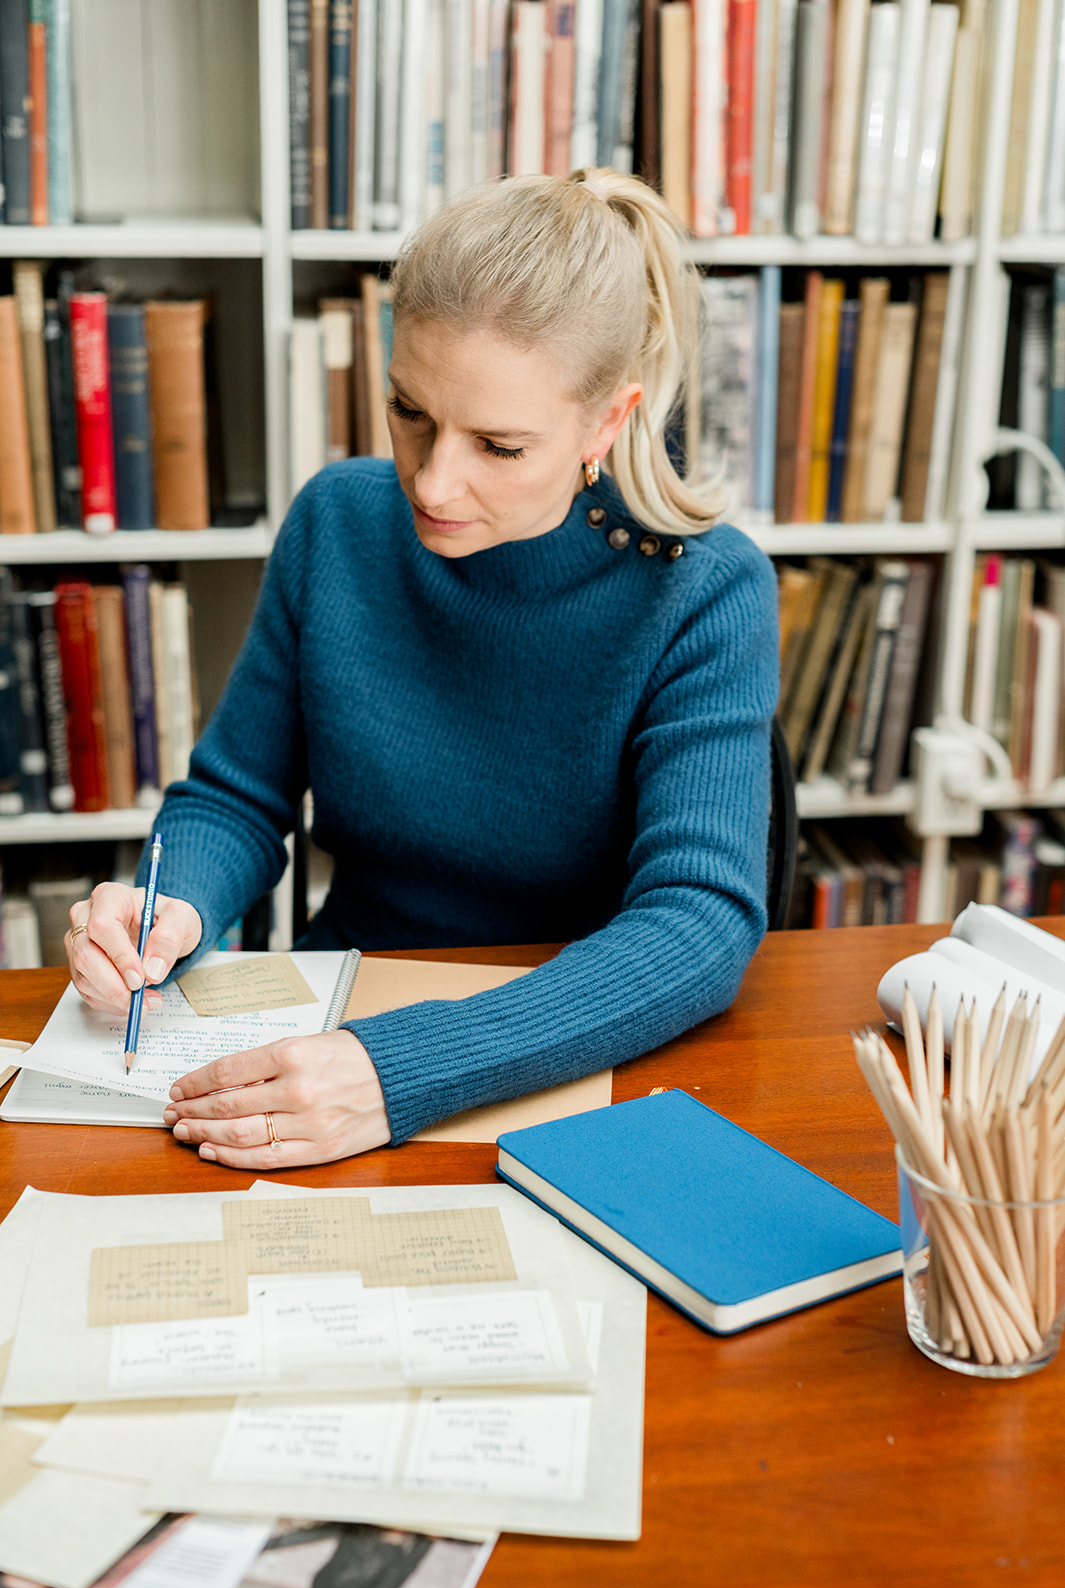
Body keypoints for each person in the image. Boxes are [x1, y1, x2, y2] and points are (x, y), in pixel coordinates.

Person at [64, 168, 778, 1170]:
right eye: (410, 411)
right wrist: (167, 903)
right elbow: (233, 796)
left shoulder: (703, 591)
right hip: (329, 1029)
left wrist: (400, 1069)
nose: (434, 481)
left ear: (605, 424)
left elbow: (699, 925)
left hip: (556, 1058)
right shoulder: (338, 523)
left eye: (499, 444)